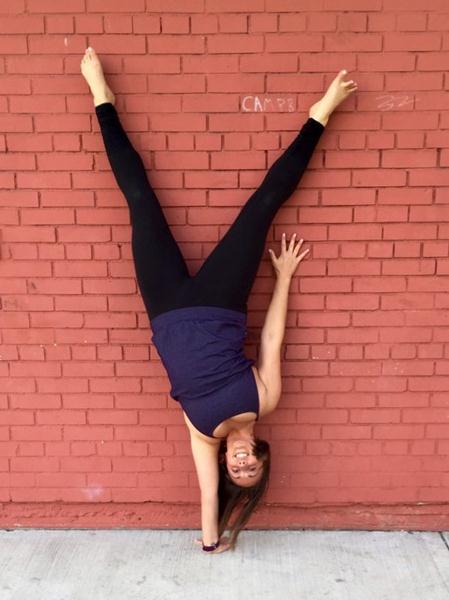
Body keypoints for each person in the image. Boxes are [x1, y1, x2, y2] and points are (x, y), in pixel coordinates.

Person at [80, 47, 357, 554]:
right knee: (262, 208)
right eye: (253, 467)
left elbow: (208, 494)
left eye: (239, 472)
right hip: (221, 302)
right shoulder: (264, 400)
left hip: (164, 307)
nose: (242, 465)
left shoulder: (201, 433)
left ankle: (101, 99)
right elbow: (273, 337)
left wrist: (213, 542)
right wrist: (284, 277)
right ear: (263, 456)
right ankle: (322, 113)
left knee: (139, 200)